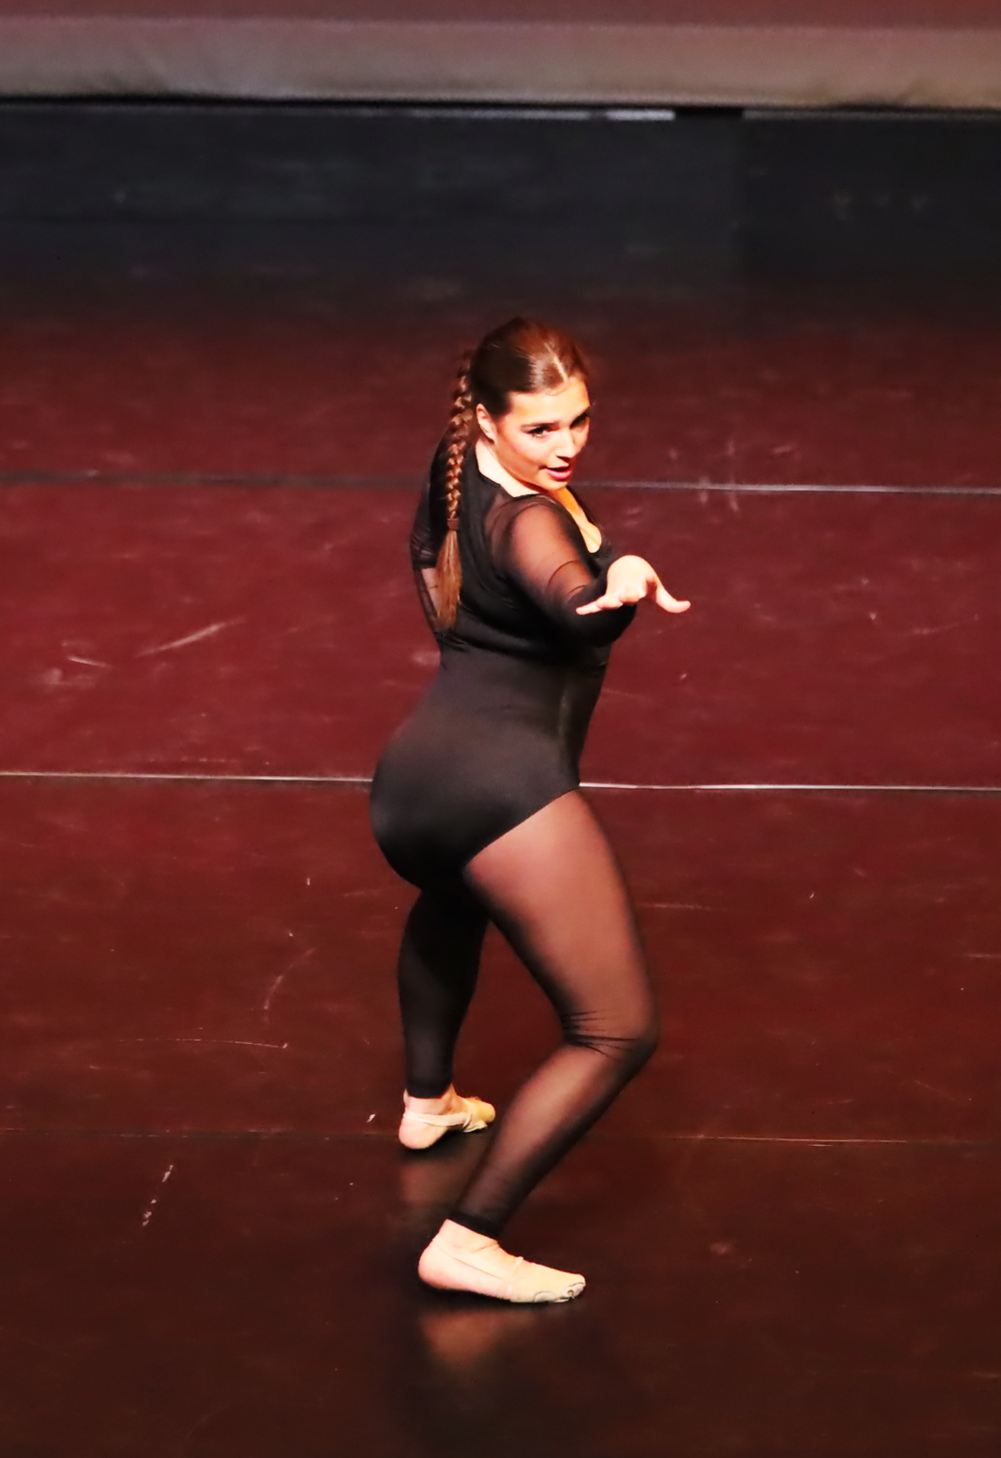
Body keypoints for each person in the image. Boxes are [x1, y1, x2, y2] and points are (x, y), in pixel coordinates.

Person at [370, 316, 689, 1303]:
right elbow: (569, 598)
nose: (565, 445)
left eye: (578, 421)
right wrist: (616, 582)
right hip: (498, 786)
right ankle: (467, 1239)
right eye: (541, 428)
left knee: (451, 904)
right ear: (490, 419)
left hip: (418, 783)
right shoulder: (527, 523)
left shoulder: (458, 467)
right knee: (616, 1030)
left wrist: (604, 564)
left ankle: (427, 1102)